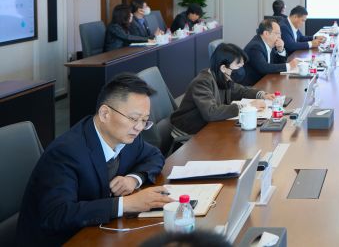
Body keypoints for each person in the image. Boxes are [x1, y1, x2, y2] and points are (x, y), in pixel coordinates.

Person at [16, 73, 172, 245]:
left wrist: (134, 179)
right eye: (134, 119)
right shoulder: (65, 152)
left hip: (98, 231)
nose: (139, 127)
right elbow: (57, 214)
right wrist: (125, 204)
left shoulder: (127, 136)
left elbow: (154, 155)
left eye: (144, 120)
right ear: (105, 114)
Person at [170, 43, 274, 137]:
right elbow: (211, 112)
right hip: (190, 132)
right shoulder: (202, 82)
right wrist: (247, 107)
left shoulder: (223, 76)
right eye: (238, 66)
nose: (241, 70)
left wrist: (262, 94)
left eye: (242, 66)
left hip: (210, 126)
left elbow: (240, 91)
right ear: (223, 68)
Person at [242, 18, 299, 86]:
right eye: (277, 33)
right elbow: (264, 68)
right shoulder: (255, 47)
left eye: (280, 34)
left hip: (265, 81)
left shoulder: (269, 43)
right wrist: (289, 66)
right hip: (253, 86)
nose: (280, 37)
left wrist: (280, 50)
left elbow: (277, 64)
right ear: (266, 33)